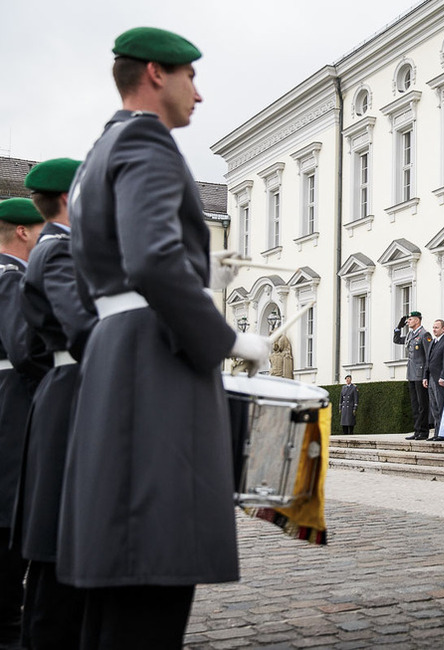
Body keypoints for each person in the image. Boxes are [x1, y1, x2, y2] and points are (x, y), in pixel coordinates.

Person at [60, 27, 271, 647]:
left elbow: (105, 269)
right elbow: (152, 261)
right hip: (152, 359)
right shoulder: (148, 141)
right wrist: (222, 335)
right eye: (191, 77)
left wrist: (202, 274)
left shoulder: (102, 149)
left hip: (115, 350)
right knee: (152, 571)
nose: (198, 95)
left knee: (117, 583)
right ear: (156, 73)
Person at [18, 158, 94, 649]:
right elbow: (85, 329)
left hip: (67, 392)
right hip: (71, 398)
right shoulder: (60, 252)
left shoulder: (60, 250)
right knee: (56, 543)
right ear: (71, 198)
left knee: (65, 539)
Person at [0, 198, 49, 645]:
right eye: (40, 232)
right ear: (22, 233)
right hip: (11, 414)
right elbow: (24, 351)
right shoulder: (12, 279)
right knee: (10, 532)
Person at [394, 310, 432, 440]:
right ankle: (417, 430)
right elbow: (397, 340)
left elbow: (428, 356)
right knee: (415, 404)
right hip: (411, 373)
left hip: (420, 374)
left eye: (410, 319)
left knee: (422, 404)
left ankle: (423, 431)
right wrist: (398, 327)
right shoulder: (411, 334)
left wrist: (426, 375)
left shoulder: (424, 334)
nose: (408, 321)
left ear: (417, 320)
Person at [424, 319, 444, 441]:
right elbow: (428, 360)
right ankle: (436, 432)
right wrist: (425, 376)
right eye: (433, 327)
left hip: (440, 379)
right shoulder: (433, 342)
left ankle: (443, 432)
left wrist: (443, 377)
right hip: (431, 377)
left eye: (437, 327)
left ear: (443, 329)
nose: (434, 330)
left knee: (441, 405)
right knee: (434, 407)